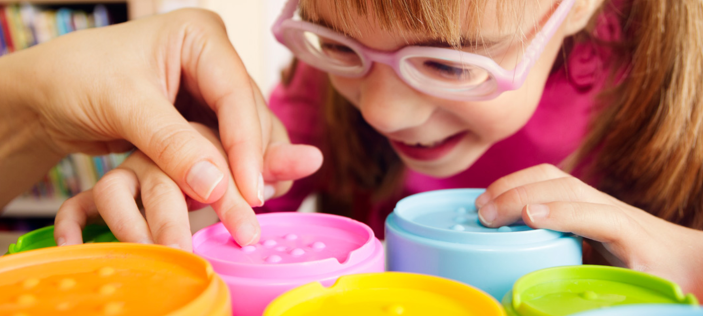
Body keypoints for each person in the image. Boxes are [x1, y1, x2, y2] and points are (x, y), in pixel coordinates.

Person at [55, 0, 703, 299]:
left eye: (450, 64)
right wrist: (198, 175)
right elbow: (258, 171)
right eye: (337, 43)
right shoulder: (321, 88)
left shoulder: (675, 76)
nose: (381, 109)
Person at [0, 9, 322, 249]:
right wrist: (184, 169)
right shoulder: (306, 103)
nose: (375, 108)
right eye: (341, 45)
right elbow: (247, 227)